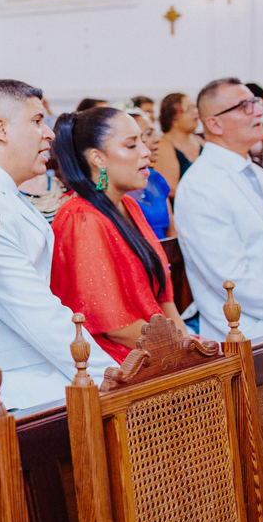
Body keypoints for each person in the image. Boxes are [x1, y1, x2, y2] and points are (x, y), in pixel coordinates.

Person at [0, 80, 117, 411]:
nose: (50, 133)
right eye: (37, 121)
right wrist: (110, 374)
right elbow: (35, 311)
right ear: (1, 129)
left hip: (32, 361)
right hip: (6, 379)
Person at [174, 78, 263, 340]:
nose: (260, 112)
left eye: (257, 103)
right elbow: (232, 280)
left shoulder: (259, 174)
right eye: (245, 106)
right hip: (245, 329)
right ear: (214, 123)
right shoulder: (199, 186)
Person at [50, 108, 184, 363]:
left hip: (158, 345)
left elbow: (164, 298)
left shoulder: (128, 205)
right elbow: (115, 327)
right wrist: (178, 351)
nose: (145, 151)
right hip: (120, 360)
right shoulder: (81, 218)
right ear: (98, 158)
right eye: (132, 145)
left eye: (142, 142)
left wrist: (185, 343)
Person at [121, 105, 173, 239]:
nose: (157, 139)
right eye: (148, 134)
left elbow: (172, 232)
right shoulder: (117, 184)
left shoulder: (155, 177)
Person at [155, 92, 203, 195]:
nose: (195, 112)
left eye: (194, 107)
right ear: (173, 118)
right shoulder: (164, 146)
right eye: (188, 109)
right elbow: (171, 189)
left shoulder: (200, 141)